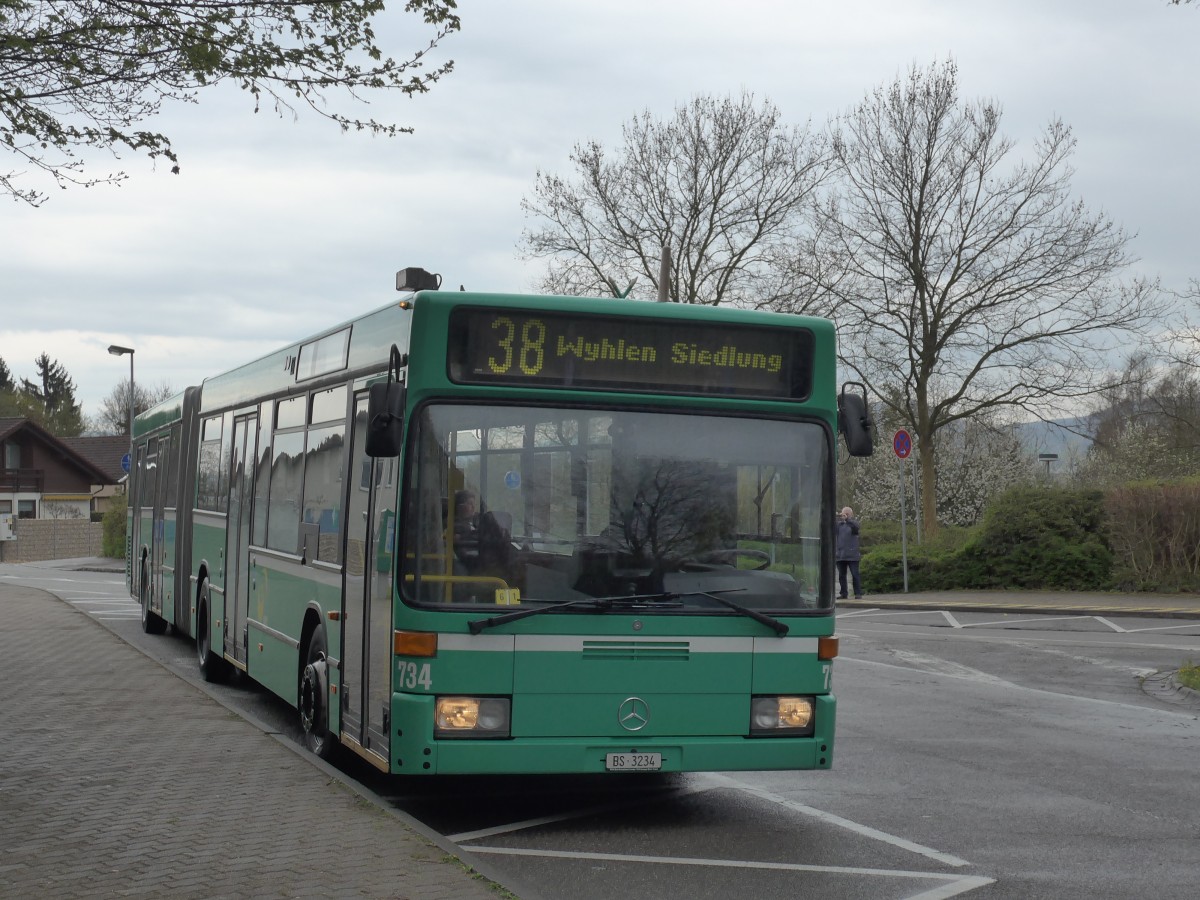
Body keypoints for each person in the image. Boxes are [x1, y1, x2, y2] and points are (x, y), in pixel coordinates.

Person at [835, 506, 862, 600]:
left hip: (852, 555)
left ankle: (858, 593)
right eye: (843, 513)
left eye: (847, 513)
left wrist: (848, 520)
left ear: (851, 514)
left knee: (855, 574)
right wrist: (835, 517)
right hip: (840, 555)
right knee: (842, 575)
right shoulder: (839, 525)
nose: (845, 515)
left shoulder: (854, 524)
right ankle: (843, 593)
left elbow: (856, 528)